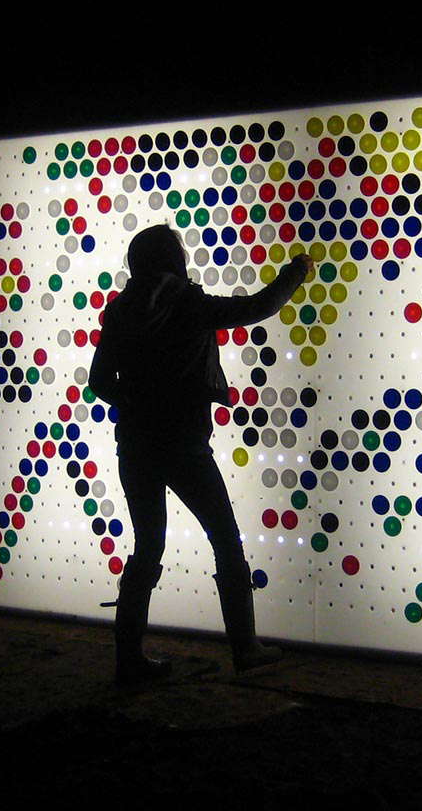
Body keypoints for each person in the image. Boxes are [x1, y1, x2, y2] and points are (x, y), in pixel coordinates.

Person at [89, 224, 313, 685]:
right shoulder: (188, 303)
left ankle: (128, 660)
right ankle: (245, 648)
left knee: (147, 547)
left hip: (135, 445)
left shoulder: (120, 311)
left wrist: (134, 402)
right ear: (173, 259)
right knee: (226, 542)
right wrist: (295, 272)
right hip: (185, 444)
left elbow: (98, 382)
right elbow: (258, 307)